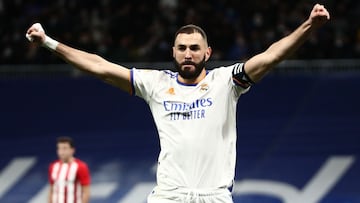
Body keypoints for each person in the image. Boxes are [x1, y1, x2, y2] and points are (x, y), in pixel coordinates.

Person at [26, 4, 330, 203]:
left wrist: (309, 26)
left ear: (207, 53)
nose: (188, 53)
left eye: (195, 48)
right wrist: (49, 42)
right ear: (173, 51)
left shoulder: (227, 82)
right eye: (182, 48)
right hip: (169, 197)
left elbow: (271, 56)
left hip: (214, 197)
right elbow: (100, 66)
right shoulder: (156, 84)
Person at [48, 136, 91, 203]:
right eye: (59, 148)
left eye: (65, 148)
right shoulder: (53, 166)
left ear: (72, 150)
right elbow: (51, 189)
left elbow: (86, 192)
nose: (61, 152)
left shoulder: (80, 166)